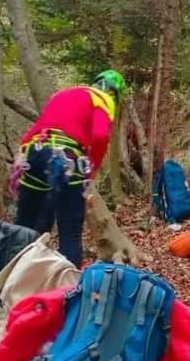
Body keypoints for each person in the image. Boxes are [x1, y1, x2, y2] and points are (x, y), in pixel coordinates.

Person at [13, 70, 126, 267]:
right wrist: (92, 169)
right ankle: (67, 289)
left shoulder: (62, 94)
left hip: (33, 154)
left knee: (25, 226)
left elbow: (31, 133)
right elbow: (100, 135)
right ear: (114, 93)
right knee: (70, 229)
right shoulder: (103, 98)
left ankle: (11, 279)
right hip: (66, 159)